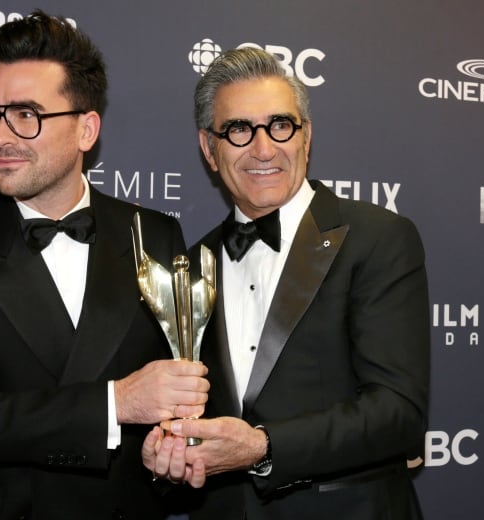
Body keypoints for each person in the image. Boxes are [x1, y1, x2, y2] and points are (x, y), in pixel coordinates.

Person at [0, 10, 209, 520]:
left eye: (26, 115)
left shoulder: (153, 233)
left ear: (86, 129)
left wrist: (167, 452)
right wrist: (114, 404)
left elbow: (173, 402)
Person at [143, 47, 430, 519]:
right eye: (238, 130)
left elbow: (398, 414)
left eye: (280, 125)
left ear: (306, 137)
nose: (263, 148)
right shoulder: (188, 267)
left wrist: (262, 446)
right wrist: (163, 461)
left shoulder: (379, 239)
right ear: (208, 149)